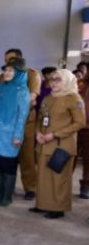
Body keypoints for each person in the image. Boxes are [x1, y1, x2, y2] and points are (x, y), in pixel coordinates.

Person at [30, 69, 86, 219]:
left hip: (62, 145)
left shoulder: (74, 98)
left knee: (59, 178)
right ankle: (42, 204)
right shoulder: (48, 98)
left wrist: (55, 134)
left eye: (57, 79)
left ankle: (58, 207)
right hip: (43, 144)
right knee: (43, 177)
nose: (53, 82)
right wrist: (38, 133)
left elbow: (80, 123)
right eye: (52, 79)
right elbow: (40, 119)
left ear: (67, 80)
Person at [0, 49, 41, 200]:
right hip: (5, 122)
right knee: (5, 157)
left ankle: (30, 188)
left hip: (25, 121)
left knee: (26, 156)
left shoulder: (31, 74)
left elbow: (31, 97)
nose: (8, 62)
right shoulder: (2, 76)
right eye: (6, 59)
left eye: (12, 59)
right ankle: (5, 188)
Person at [0, 58, 31, 207]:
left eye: (11, 70)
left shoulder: (22, 91)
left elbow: (22, 115)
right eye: (6, 70)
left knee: (8, 164)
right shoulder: (0, 88)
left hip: (10, 133)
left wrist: (18, 135)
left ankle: (7, 196)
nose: (7, 72)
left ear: (19, 73)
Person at [77, 74, 89, 199]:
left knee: (88, 160)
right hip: (74, 127)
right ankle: (62, 184)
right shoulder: (80, 83)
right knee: (67, 157)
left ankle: (86, 185)